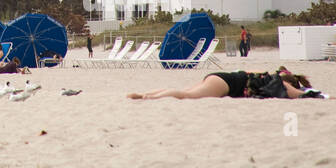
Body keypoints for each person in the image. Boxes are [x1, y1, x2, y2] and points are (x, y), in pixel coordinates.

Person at [128, 68, 325, 100]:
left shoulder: (265, 74)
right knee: (187, 96)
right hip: (224, 84)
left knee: (186, 91)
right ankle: (150, 97)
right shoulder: (281, 83)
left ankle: (146, 93)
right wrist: (324, 95)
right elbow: (301, 95)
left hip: (220, 76)